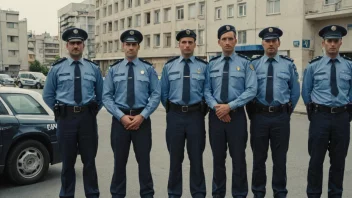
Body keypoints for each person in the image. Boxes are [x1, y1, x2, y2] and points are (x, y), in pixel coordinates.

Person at [43, 27, 103, 198]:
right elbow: (48, 95)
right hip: (66, 119)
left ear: (83, 45)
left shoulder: (93, 69)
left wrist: (90, 112)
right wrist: (60, 111)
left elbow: (101, 95)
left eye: (79, 43)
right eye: (72, 43)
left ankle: (92, 194)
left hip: (87, 120)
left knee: (89, 162)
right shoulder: (56, 68)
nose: (76, 46)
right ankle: (67, 195)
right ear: (67, 46)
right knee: (68, 163)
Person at [102, 29, 160, 198]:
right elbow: (106, 96)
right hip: (120, 121)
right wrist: (121, 116)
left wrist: (143, 116)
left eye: (134, 44)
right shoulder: (114, 70)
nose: (131, 48)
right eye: (128, 44)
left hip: (142, 120)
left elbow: (156, 95)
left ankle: (147, 195)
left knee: (144, 163)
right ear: (123, 46)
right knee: (119, 163)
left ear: (138, 47)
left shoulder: (148, 69)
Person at [204, 25, 257, 198]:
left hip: (237, 117)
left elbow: (251, 90)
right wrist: (217, 108)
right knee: (218, 160)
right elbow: (206, 91)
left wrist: (230, 106)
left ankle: (239, 194)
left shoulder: (245, 63)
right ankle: (218, 194)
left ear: (236, 40)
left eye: (230, 38)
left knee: (239, 160)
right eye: (224, 39)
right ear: (219, 42)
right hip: (216, 117)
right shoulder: (211, 65)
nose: (227, 42)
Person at [247, 27, 300, 198]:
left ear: (279, 43)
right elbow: (249, 90)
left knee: (280, 160)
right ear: (262, 43)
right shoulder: (253, 65)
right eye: (267, 41)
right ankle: (258, 193)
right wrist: (253, 113)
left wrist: (285, 112)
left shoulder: (288, 64)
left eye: (274, 41)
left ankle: (280, 193)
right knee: (258, 160)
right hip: (259, 117)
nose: (271, 44)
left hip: (280, 117)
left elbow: (295, 91)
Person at [302, 25, 352, 198]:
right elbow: (306, 92)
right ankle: (313, 195)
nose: (332, 44)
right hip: (320, 117)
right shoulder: (313, 67)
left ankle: (335, 195)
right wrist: (315, 114)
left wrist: (347, 113)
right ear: (323, 43)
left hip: (341, 118)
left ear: (340, 43)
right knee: (316, 161)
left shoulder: (349, 66)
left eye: (335, 41)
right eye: (329, 41)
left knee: (338, 162)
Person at [160, 29, 207, 198]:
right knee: (175, 160)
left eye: (190, 42)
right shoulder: (169, 66)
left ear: (195, 44)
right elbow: (163, 93)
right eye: (183, 42)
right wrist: (173, 110)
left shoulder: (203, 66)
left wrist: (201, 110)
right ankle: (174, 194)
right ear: (179, 44)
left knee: (196, 159)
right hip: (175, 116)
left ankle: (199, 193)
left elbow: (206, 91)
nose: (187, 45)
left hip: (196, 116)